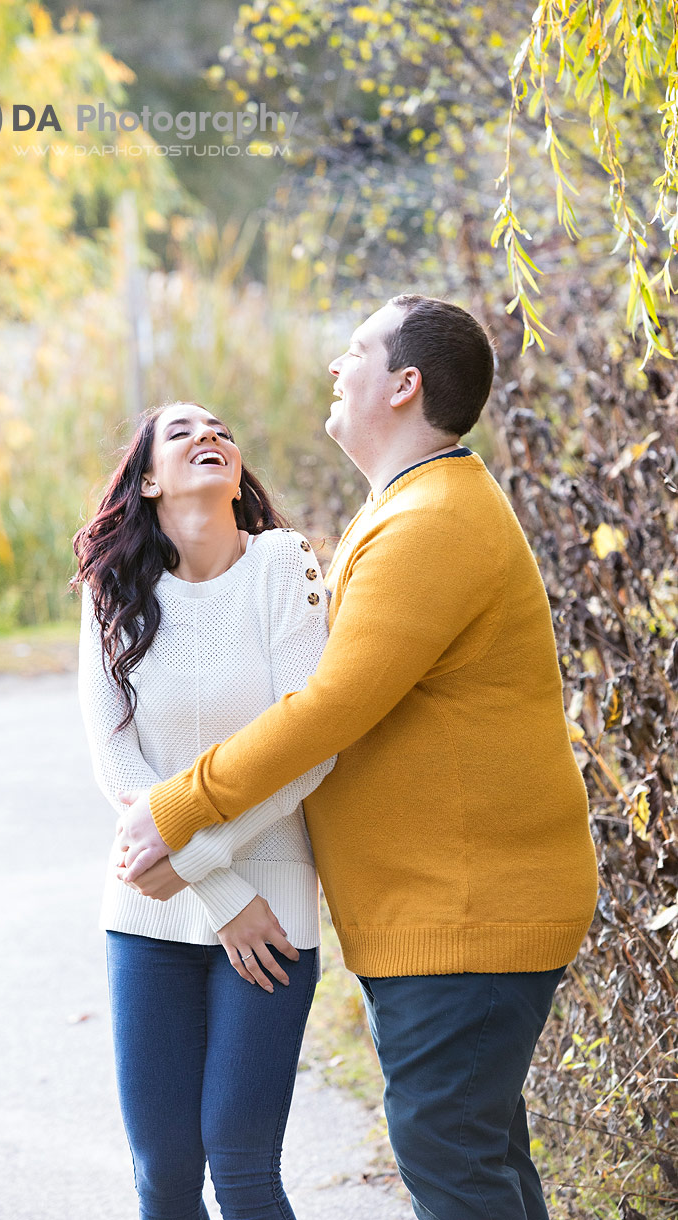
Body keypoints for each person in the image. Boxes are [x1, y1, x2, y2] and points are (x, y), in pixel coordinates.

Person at [117, 295, 600, 1220]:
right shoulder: (419, 505)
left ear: (403, 385)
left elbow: (329, 707)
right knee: (481, 1167)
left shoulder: (431, 524)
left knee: (452, 1171)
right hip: (445, 908)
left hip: (466, 913)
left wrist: (177, 809)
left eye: (354, 353)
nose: (335, 369)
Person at [72, 400, 335, 1220]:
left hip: (272, 911)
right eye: (182, 433)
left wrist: (206, 864)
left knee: (244, 1166)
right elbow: (118, 764)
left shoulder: (283, 565)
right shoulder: (112, 588)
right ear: (148, 480)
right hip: (149, 908)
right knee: (164, 1174)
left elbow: (309, 745)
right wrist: (214, 883)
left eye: (222, 427)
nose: (209, 437)